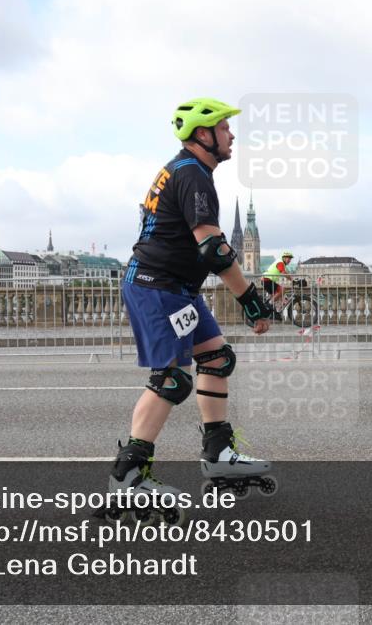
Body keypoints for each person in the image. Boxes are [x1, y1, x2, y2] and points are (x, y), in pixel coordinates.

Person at [106, 97, 276, 519]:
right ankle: (129, 475)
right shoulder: (192, 175)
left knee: (217, 358)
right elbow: (214, 248)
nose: (232, 135)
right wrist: (250, 300)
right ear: (203, 134)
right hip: (157, 286)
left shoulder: (186, 170)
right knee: (171, 379)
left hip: (177, 287)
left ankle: (218, 452)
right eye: (224, 128)